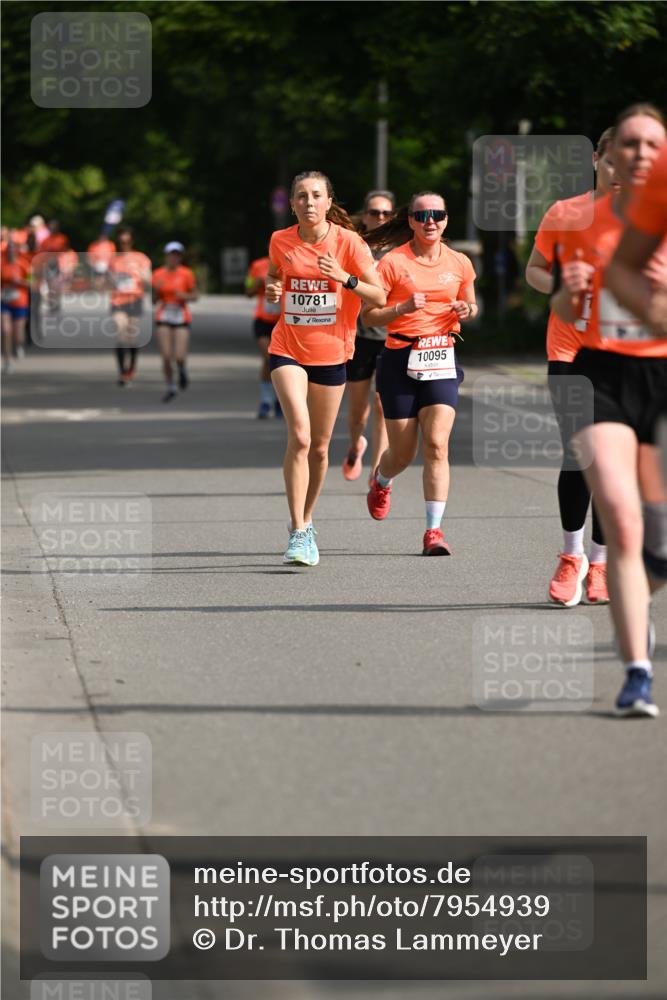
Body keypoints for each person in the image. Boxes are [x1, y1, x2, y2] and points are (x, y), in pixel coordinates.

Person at [551, 103, 667, 718]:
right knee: (621, 517)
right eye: (630, 144)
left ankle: (636, 583)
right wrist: (572, 296)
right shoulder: (581, 221)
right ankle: (637, 675)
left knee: (657, 545)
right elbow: (569, 313)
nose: (640, 154)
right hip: (601, 373)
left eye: (654, 144)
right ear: (610, 156)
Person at [265, 170, 386, 566]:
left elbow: (379, 294)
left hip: (333, 354)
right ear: (294, 203)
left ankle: (308, 518)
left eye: (317, 195)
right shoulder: (280, 240)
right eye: (301, 196)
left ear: (329, 202)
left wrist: (346, 279)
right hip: (288, 348)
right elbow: (273, 278)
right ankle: (299, 531)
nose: (309, 202)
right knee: (299, 437)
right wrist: (273, 289)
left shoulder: (349, 242)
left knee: (319, 447)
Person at [525, 128, 617, 606]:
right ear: (596, 160)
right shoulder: (566, 212)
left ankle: (599, 564)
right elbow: (535, 270)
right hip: (571, 352)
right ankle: (571, 556)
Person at [362, 192, 478, 555]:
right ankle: (381, 480)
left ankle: (433, 532)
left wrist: (466, 309)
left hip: (441, 357)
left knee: (437, 444)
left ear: (446, 220)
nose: (431, 220)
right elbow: (369, 316)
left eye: (438, 214)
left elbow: (471, 305)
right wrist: (402, 307)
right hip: (399, 359)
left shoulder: (460, 263)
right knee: (402, 453)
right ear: (410, 220)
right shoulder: (393, 263)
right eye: (423, 215)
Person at [341, 190, 395, 484]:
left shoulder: (401, 251)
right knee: (357, 413)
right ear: (364, 216)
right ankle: (355, 443)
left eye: (386, 213)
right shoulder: (354, 247)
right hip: (359, 336)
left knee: (382, 404)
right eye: (375, 212)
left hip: (390, 337)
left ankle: (377, 472)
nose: (380, 218)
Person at [152, 241, 198, 402]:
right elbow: (153, 301)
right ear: (166, 256)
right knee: (166, 356)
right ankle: (170, 385)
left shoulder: (186, 273)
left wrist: (184, 296)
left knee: (179, 356)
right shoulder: (158, 274)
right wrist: (156, 291)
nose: (173, 258)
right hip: (164, 315)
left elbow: (195, 295)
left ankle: (182, 369)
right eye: (171, 254)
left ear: (180, 257)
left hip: (180, 315)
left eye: (176, 255)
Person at [108, 227, 151, 385]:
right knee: (120, 331)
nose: (124, 244)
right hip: (118, 300)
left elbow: (148, 280)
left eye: (127, 241)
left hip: (134, 300)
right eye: (121, 241)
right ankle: (122, 372)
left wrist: (142, 276)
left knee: (132, 337)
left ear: (132, 241)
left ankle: (132, 367)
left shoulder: (140, 258)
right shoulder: (113, 260)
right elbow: (107, 280)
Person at [245, 252, 281, 418]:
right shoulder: (258, 265)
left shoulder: (292, 262)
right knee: (269, 359)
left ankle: (280, 399)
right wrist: (257, 284)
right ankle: (267, 400)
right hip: (263, 320)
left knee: (282, 363)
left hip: (283, 320)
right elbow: (248, 291)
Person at [1, 236, 31, 373]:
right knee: (5, 331)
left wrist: (19, 282)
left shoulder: (24, 264)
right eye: (9, 250)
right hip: (4, 301)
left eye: (13, 249)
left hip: (20, 302)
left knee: (18, 336)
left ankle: (18, 346)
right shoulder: (2, 264)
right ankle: (7, 362)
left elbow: (33, 283)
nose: (11, 252)